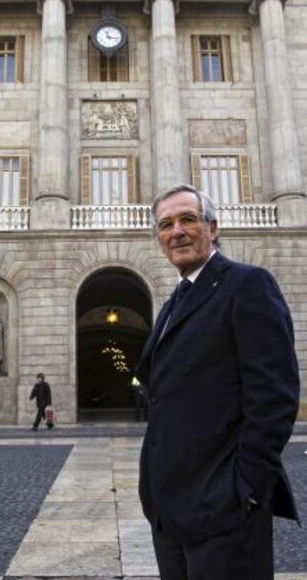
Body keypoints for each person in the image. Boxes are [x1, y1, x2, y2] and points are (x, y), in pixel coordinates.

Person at [135, 184, 300, 580]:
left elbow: (274, 397)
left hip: (222, 510)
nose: (176, 231)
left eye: (188, 219)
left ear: (212, 226)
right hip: (170, 512)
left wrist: (243, 490)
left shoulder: (247, 285)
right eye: (165, 224)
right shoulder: (175, 301)